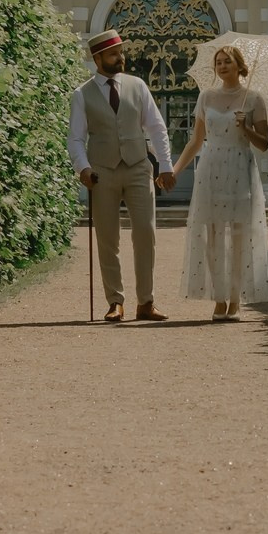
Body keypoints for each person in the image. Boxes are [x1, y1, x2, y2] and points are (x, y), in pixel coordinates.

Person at [68, 29, 175, 323]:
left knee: (145, 234)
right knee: (107, 238)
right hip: (102, 172)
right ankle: (115, 301)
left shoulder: (137, 86)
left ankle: (146, 302)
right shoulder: (82, 94)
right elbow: (76, 138)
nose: (121, 58)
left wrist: (165, 165)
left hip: (139, 166)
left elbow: (156, 127)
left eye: (121, 52)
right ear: (98, 58)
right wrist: (83, 167)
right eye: (114, 54)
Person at [167, 45, 268, 321]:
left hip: (240, 167)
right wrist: (175, 170)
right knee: (212, 236)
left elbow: (264, 144)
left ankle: (236, 298)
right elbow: (195, 141)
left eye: (228, 61)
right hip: (211, 166)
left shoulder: (254, 99)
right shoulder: (206, 97)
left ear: (239, 66)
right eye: (219, 62)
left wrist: (246, 128)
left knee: (238, 236)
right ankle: (218, 297)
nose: (223, 66)